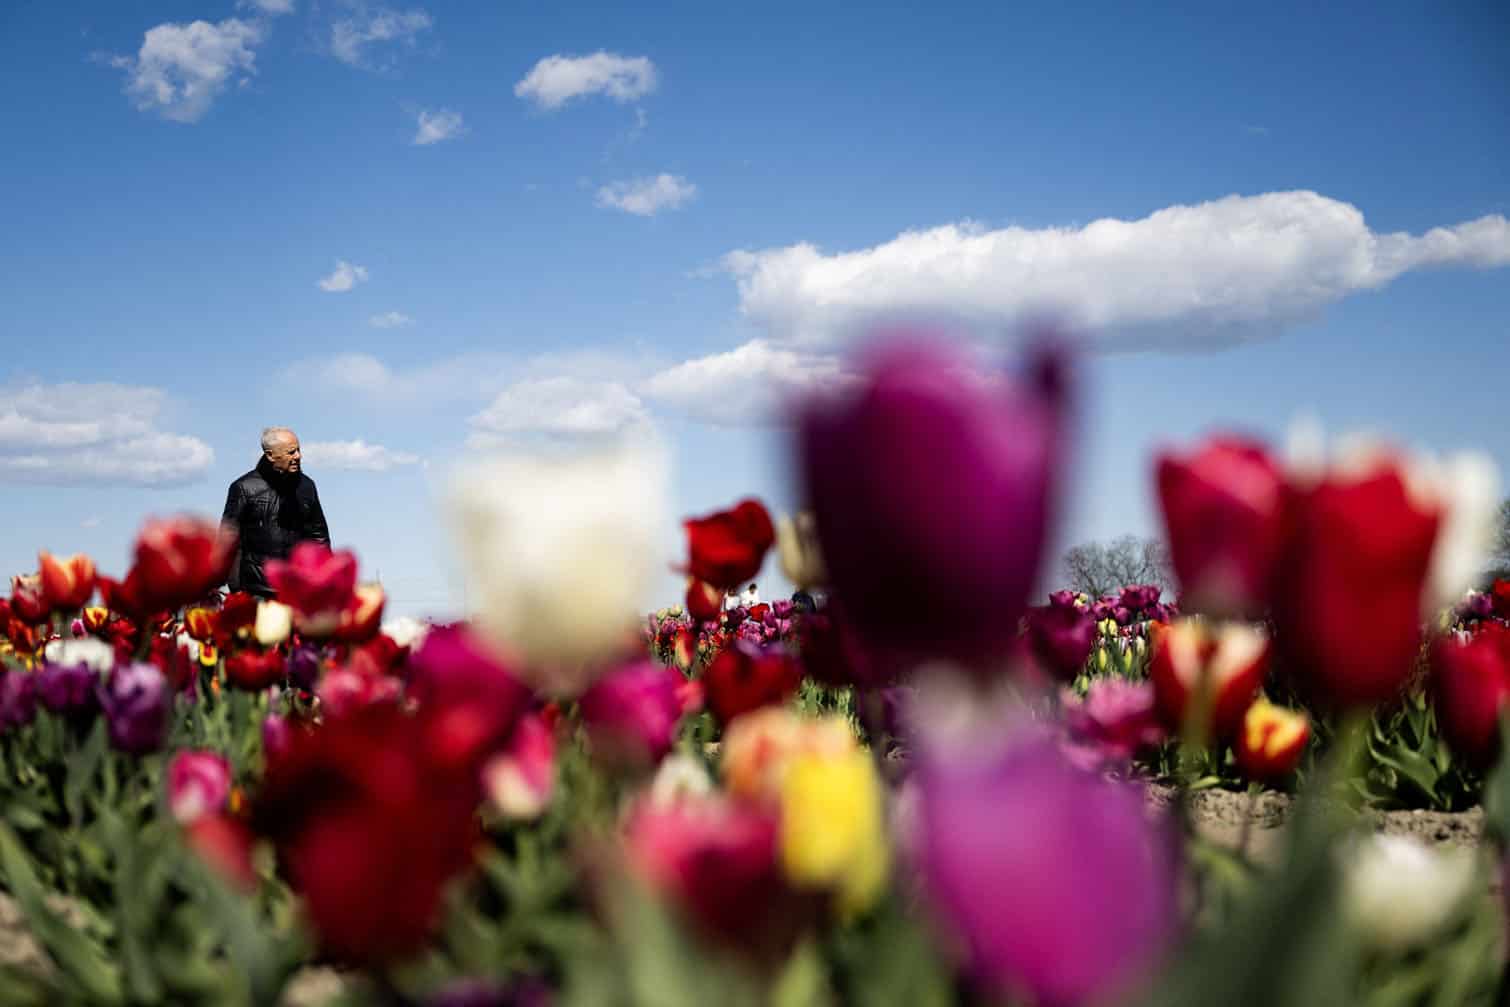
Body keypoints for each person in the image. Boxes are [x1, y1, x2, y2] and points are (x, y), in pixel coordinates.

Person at [220, 427, 330, 598]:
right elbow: (228, 541)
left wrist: (325, 579)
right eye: (291, 452)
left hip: (297, 591)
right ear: (270, 455)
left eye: (298, 450)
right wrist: (236, 589)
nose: (298, 456)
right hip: (257, 592)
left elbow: (318, 536)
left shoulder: (307, 486)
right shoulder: (243, 488)